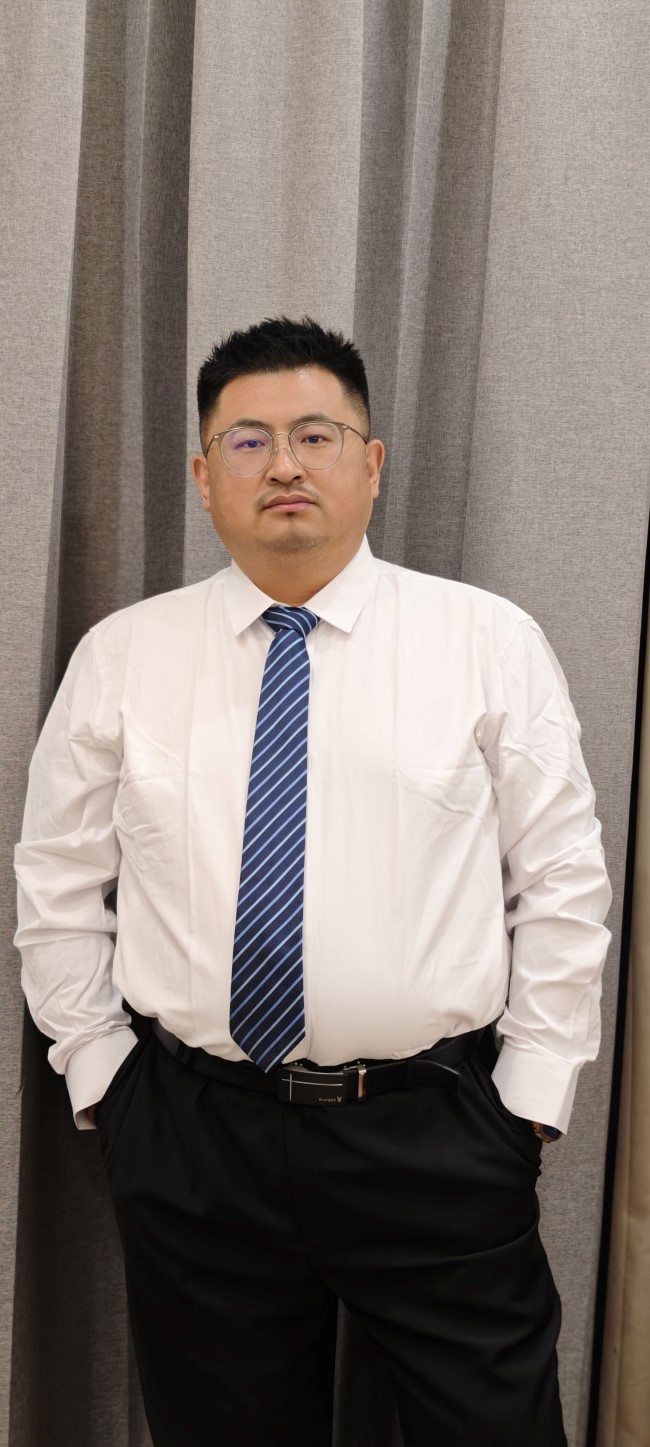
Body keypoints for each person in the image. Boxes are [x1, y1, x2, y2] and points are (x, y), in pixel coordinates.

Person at [14, 315, 612, 1447]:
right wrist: (104, 1077)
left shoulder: (484, 640)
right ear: (203, 477)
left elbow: (561, 879)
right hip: (193, 1135)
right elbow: (57, 882)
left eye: (315, 435)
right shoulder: (124, 656)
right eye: (246, 441)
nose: (283, 464)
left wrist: (526, 1103)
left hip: (432, 1134)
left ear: (370, 463)